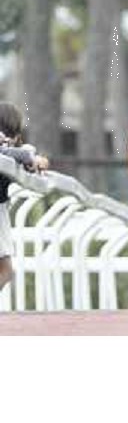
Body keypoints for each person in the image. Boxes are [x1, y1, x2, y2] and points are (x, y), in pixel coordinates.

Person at [0, 102, 49, 293]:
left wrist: (33, 158)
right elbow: (11, 153)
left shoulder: (15, 149)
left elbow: (25, 154)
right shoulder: (9, 147)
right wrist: (29, 157)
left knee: (6, 270)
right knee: (6, 270)